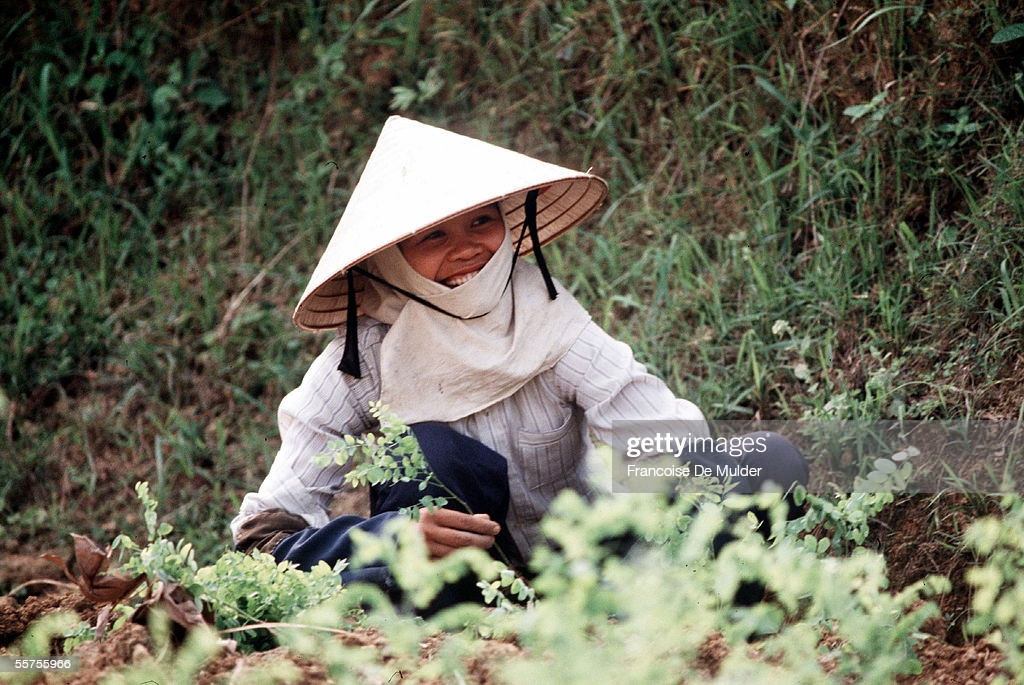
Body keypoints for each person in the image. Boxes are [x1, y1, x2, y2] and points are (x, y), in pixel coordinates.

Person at [231, 116, 808, 610]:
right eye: (432, 235)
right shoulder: (360, 365)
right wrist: (388, 539)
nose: (467, 249)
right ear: (390, 261)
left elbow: (657, 448)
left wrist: (662, 495)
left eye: (482, 220)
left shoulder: (552, 324)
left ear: (510, 227)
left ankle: (727, 633)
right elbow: (264, 533)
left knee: (767, 460)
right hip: (464, 601)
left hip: (597, 564)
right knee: (435, 456)